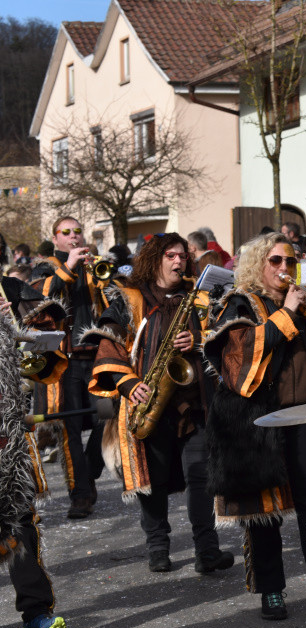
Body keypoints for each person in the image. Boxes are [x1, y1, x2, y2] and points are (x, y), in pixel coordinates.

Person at [203, 233, 306, 622]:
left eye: (291, 262)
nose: (284, 270)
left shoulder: (305, 304)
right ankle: (271, 591)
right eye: (275, 261)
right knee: (265, 512)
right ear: (258, 264)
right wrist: (288, 314)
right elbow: (239, 359)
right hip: (258, 422)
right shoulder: (239, 303)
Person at [85, 234, 234, 574]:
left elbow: (225, 338)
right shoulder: (131, 298)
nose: (178, 262)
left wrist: (198, 339)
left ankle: (207, 550)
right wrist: (128, 382)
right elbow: (109, 343)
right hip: (149, 401)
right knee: (152, 478)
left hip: (194, 403)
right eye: (170, 255)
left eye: (182, 256)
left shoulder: (199, 297)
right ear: (155, 259)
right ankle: (158, 547)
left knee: (201, 477)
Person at [2, 275, 68, 628]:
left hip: (7, 433)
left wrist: (20, 329)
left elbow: (47, 359)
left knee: (20, 522)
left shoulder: (11, 292)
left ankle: (36, 614)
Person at [37, 217, 110, 520]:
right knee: (68, 429)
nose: (74, 237)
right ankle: (80, 494)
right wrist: (68, 266)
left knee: (108, 416)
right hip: (64, 360)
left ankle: (89, 470)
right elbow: (44, 298)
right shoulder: (47, 266)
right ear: (55, 239)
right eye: (66, 232)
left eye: (77, 232)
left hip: (94, 356)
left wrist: (104, 279)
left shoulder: (93, 265)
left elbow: (111, 304)